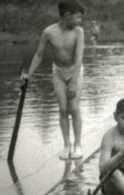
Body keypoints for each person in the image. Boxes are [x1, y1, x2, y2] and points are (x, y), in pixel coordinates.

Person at [20, 0, 85, 159]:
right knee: (63, 109)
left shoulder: (78, 31)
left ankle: (77, 145)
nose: (80, 21)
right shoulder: (49, 32)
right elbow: (39, 54)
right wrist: (29, 74)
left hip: (75, 71)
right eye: (77, 17)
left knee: (74, 108)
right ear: (66, 15)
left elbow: (79, 57)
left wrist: (74, 82)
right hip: (58, 72)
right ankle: (66, 145)